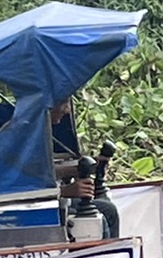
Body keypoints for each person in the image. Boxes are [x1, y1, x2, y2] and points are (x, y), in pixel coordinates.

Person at [51, 98, 120, 238]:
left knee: (107, 209)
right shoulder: (22, 135)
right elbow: (20, 183)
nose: (67, 110)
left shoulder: (39, 130)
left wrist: (85, 168)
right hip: (38, 208)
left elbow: (41, 170)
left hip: (54, 200)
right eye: (63, 103)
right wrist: (62, 192)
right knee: (107, 212)